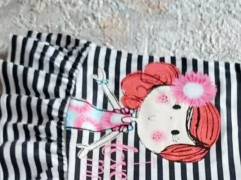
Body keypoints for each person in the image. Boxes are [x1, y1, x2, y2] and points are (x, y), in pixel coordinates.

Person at [66, 63, 221, 162]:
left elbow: (110, 135)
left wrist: (91, 147)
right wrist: (103, 84)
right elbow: (112, 101)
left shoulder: (123, 127)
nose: (166, 119)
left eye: (175, 133)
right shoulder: (125, 111)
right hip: (82, 108)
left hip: (87, 125)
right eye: (176, 107)